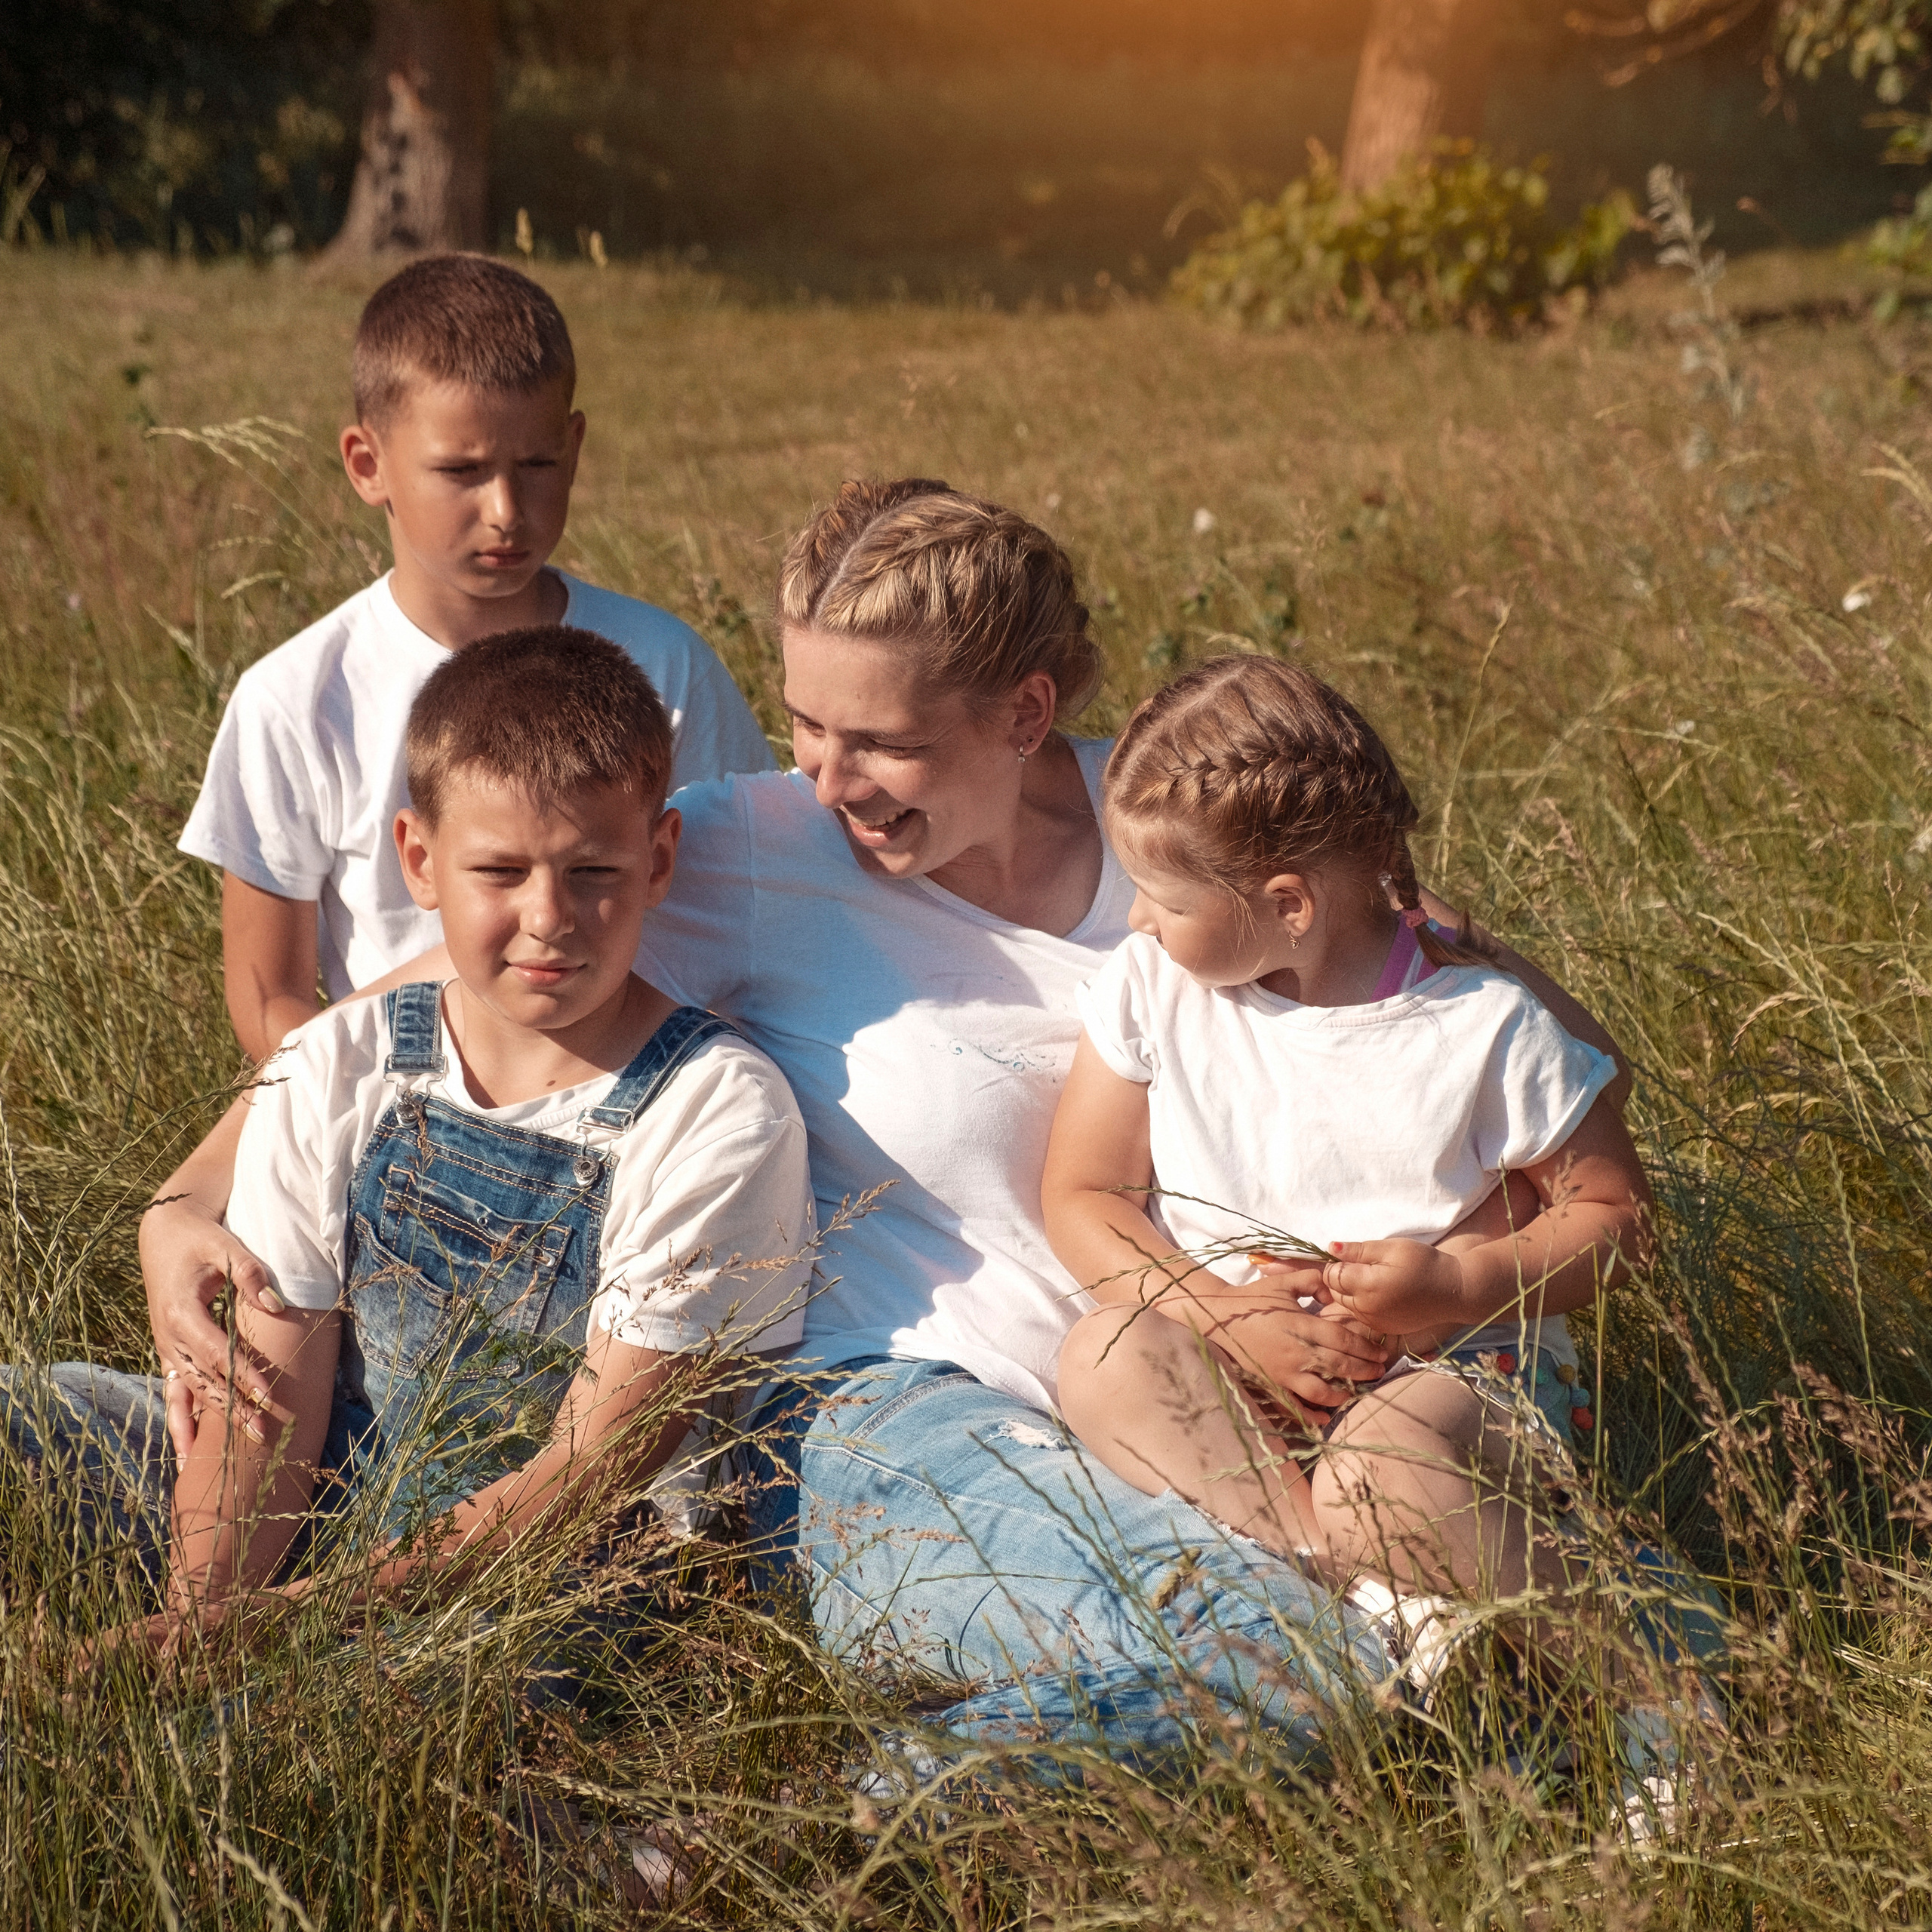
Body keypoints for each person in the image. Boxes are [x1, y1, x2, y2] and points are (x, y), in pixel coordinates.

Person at [140, 479, 1636, 1769]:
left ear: (1023, 713)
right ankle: (1395, 1684)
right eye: (800, 720)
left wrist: (1443, 1197)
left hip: (1228, 1401)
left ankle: (1372, 1686)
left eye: (882, 741)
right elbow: (421, 997)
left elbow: (1466, 1025)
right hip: (899, 1410)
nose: (825, 775)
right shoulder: (748, 849)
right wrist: (189, 1192)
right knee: (1249, 1657)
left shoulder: (1190, 842)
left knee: (1254, 1651)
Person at [10, 628, 813, 1680]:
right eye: (500, 871)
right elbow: (270, 1397)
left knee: (289, 1741)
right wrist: (198, 1623)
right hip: (333, 1468)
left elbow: (583, 1479)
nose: (548, 918)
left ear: (659, 857)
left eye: (593, 871)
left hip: (550, 1567)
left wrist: (262, 1634)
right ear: (419, 860)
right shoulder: (343, 1058)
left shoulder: (715, 1109)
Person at [1042, 654, 1643, 1600]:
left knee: (1376, 1463)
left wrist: (1454, 1284)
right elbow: (1083, 1193)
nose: (1136, 917)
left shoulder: (1476, 1021)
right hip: (1243, 1361)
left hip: (1450, 1376)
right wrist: (1224, 1315)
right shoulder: (1150, 987)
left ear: (1287, 903)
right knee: (1103, 1353)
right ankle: (1350, 1591)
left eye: (1166, 897)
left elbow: (1616, 1215)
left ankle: (1642, 1672)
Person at [178, 252, 774, 1065]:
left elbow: (749, 922)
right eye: (461, 471)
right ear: (367, 464)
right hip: (398, 1107)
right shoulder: (296, 698)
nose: (505, 509)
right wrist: (353, 1091)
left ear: (574, 444)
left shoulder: (665, 666)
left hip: (635, 1091)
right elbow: (267, 997)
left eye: (536, 465)